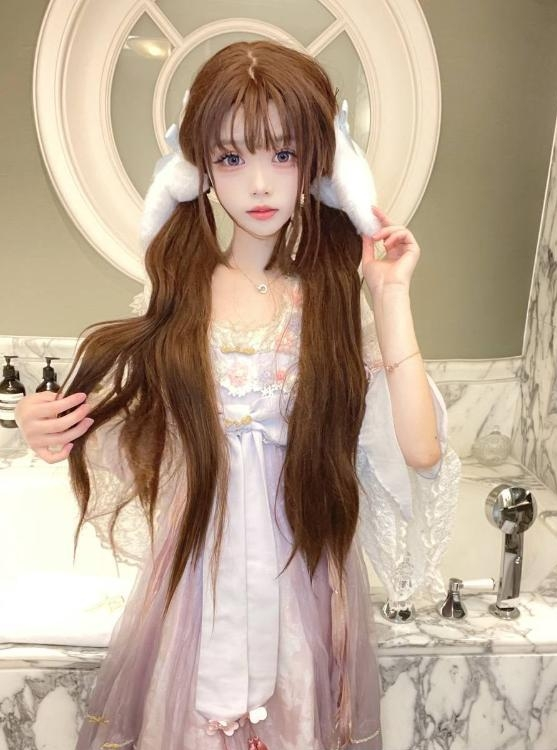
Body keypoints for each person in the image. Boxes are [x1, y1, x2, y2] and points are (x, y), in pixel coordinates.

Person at [15, 40, 458, 750]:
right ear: (199, 173)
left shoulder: (326, 306)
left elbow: (420, 449)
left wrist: (389, 295)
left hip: (299, 578)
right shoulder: (177, 301)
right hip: (199, 579)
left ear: (317, 167)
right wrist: (43, 425)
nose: (258, 184)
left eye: (282, 155)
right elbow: (130, 433)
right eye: (231, 158)